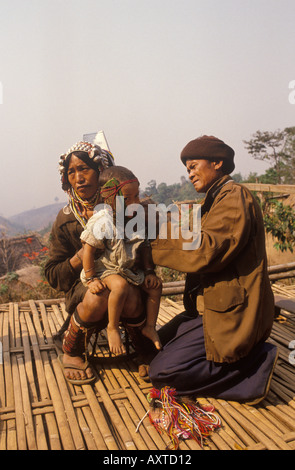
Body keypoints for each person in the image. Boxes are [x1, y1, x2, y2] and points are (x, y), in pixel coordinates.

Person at [149, 135, 278, 405]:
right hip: (211, 306)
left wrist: (153, 236)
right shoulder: (216, 200)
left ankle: (254, 367)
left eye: (194, 166)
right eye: (187, 169)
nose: (190, 174)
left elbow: (205, 251)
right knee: (152, 346)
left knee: (162, 373)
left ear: (217, 163)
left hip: (234, 312)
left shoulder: (233, 197)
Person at [45, 141, 156, 385]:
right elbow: (54, 276)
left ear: (102, 174)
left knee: (128, 292)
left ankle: (144, 350)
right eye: (71, 172)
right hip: (86, 287)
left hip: (126, 280)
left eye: (84, 169)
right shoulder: (65, 220)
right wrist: (85, 252)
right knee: (100, 294)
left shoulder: (126, 208)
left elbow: (144, 247)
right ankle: (72, 352)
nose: (78, 178)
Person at [80, 165, 162, 355]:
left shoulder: (135, 218)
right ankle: (112, 328)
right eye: (128, 199)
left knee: (155, 287)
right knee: (120, 286)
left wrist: (149, 272)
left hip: (128, 269)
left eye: (136, 196)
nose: (135, 202)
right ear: (110, 199)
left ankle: (150, 326)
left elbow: (144, 246)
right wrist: (92, 279)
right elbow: (88, 250)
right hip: (106, 269)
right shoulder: (104, 219)